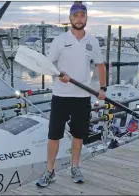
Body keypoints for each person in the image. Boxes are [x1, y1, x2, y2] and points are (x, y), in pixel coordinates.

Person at [36, 2, 107, 187]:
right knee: (54, 136)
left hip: (82, 97)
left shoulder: (93, 41)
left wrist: (103, 89)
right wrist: (59, 75)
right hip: (60, 96)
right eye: (75, 16)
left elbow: (100, 65)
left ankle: (75, 167)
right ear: (70, 18)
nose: (79, 19)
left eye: (82, 15)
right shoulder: (59, 40)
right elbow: (47, 66)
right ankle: (49, 171)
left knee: (78, 135)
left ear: (86, 18)